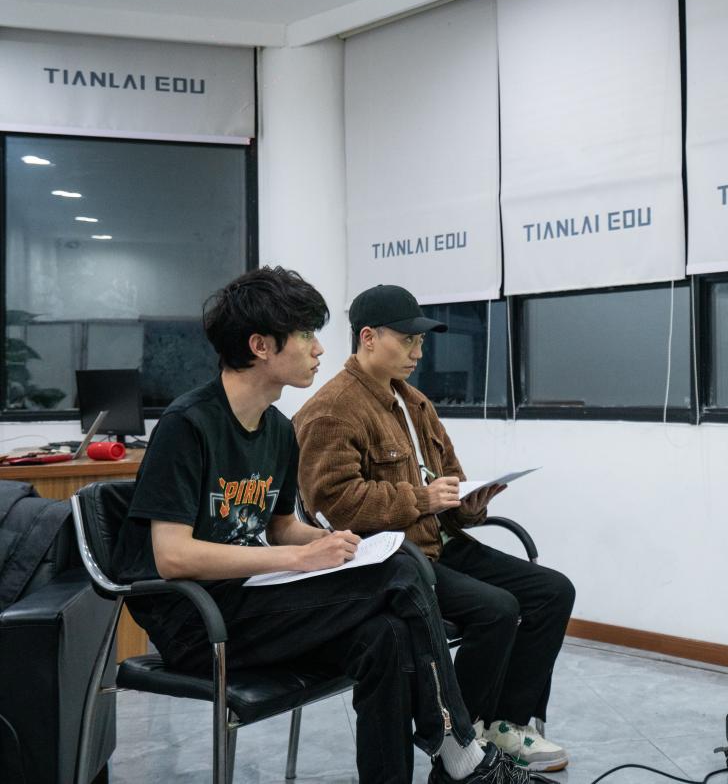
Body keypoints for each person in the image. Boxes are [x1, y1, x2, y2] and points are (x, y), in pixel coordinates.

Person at [112, 267, 543, 784]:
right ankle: (459, 750)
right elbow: (172, 556)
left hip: (251, 596)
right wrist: (299, 557)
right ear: (260, 346)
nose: (319, 349)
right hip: (198, 621)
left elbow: (279, 527)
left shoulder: (276, 429)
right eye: (305, 335)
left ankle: (436, 759)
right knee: (402, 570)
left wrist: (331, 541)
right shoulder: (188, 425)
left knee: (385, 633)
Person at [294, 284, 576, 773]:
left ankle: (502, 724)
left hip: (441, 544)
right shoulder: (331, 410)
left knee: (553, 592)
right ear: (368, 337)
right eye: (407, 341)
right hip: (394, 559)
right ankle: (461, 744)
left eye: (421, 342)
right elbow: (334, 507)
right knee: (497, 609)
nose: (418, 353)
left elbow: (448, 481)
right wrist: (421, 499)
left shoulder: (415, 403)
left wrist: (470, 504)